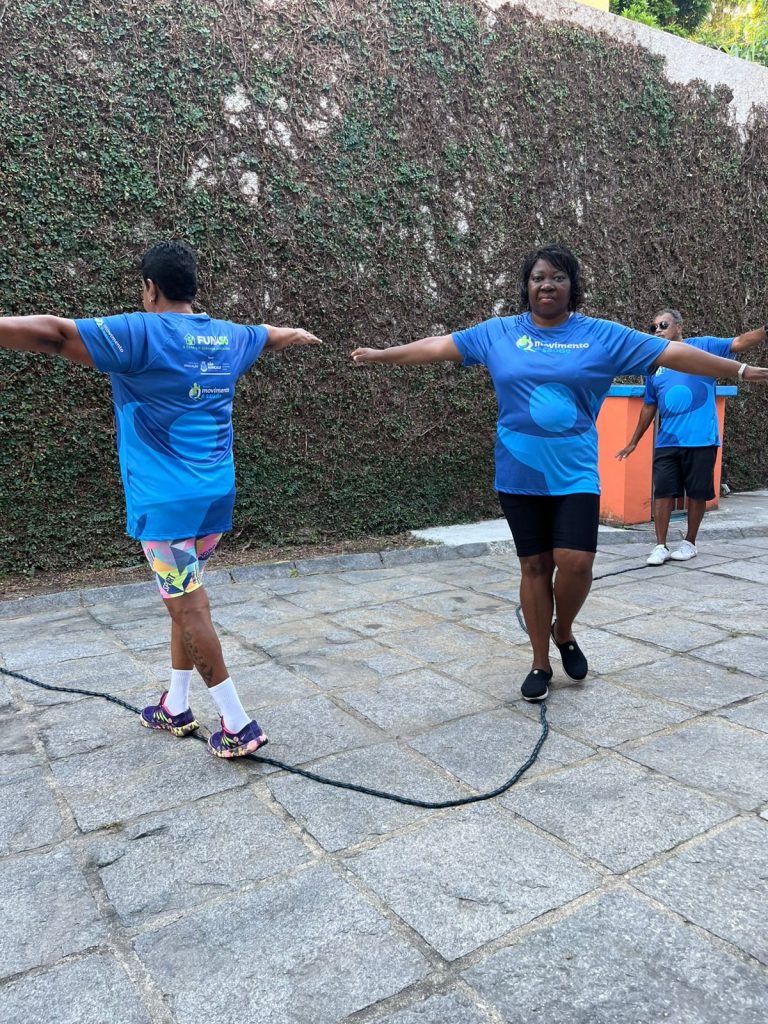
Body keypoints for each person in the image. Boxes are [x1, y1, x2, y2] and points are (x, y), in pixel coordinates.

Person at [351, 244, 768, 703]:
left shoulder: (601, 335)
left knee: (577, 563)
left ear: (572, 286)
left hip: (575, 473)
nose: (546, 285)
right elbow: (437, 346)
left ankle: (563, 630)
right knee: (534, 566)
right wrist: (384, 354)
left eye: (557, 277)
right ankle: (540, 662)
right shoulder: (498, 332)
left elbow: (675, 354)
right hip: (519, 473)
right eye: (538, 278)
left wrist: (741, 369)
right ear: (526, 287)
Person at [0, 241, 321, 756]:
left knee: (189, 608)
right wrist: (297, 335)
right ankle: (176, 705)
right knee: (183, 597)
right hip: (214, 500)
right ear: (192, 287)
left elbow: (55, 335)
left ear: (150, 289)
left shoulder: (141, 333)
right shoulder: (229, 336)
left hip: (166, 505)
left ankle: (238, 724)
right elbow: (270, 335)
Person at [616, 309, 767, 565]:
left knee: (697, 493)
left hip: (701, 438)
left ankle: (689, 543)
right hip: (667, 440)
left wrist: (765, 330)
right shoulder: (654, 363)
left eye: (663, 325)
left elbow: (739, 342)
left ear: (679, 326)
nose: (657, 330)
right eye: (654, 327)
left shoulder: (703, 347)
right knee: (663, 491)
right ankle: (660, 546)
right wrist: (633, 441)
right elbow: (649, 405)